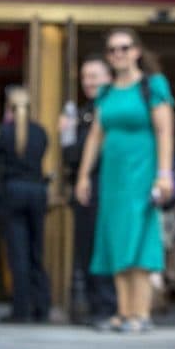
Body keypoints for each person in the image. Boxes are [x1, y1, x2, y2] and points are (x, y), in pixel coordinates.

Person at [74, 29, 175, 333]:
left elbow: (164, 131)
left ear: (137, 52)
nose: (118, 54)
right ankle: (123, 310)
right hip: (112, 175)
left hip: (142, 172)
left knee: (140, 235)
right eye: (112, 50)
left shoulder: (152, 86)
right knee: (115, 237)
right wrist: (83, 175)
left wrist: (165, 174)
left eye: (124, 48)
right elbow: (95, 136)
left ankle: (141, 313)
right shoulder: (105, 93)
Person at [0, 86, 51, 324]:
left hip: (13, 191)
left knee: (18, 254)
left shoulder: (3, 132)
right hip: (37, 191)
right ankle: (42, 306)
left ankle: (21, 309)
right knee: (37, 252)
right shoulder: (40, 132)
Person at [61, 56, 114, 325]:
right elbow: (71, 155)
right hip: (85, 189)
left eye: (94, 76)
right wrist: (66, 135)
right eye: (85, 77)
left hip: (109, 186)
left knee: (106, 247)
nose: (89, 82)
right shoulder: (81, 112)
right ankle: (96, 306)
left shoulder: (111, 108)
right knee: (86, 249)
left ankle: (109, 305)